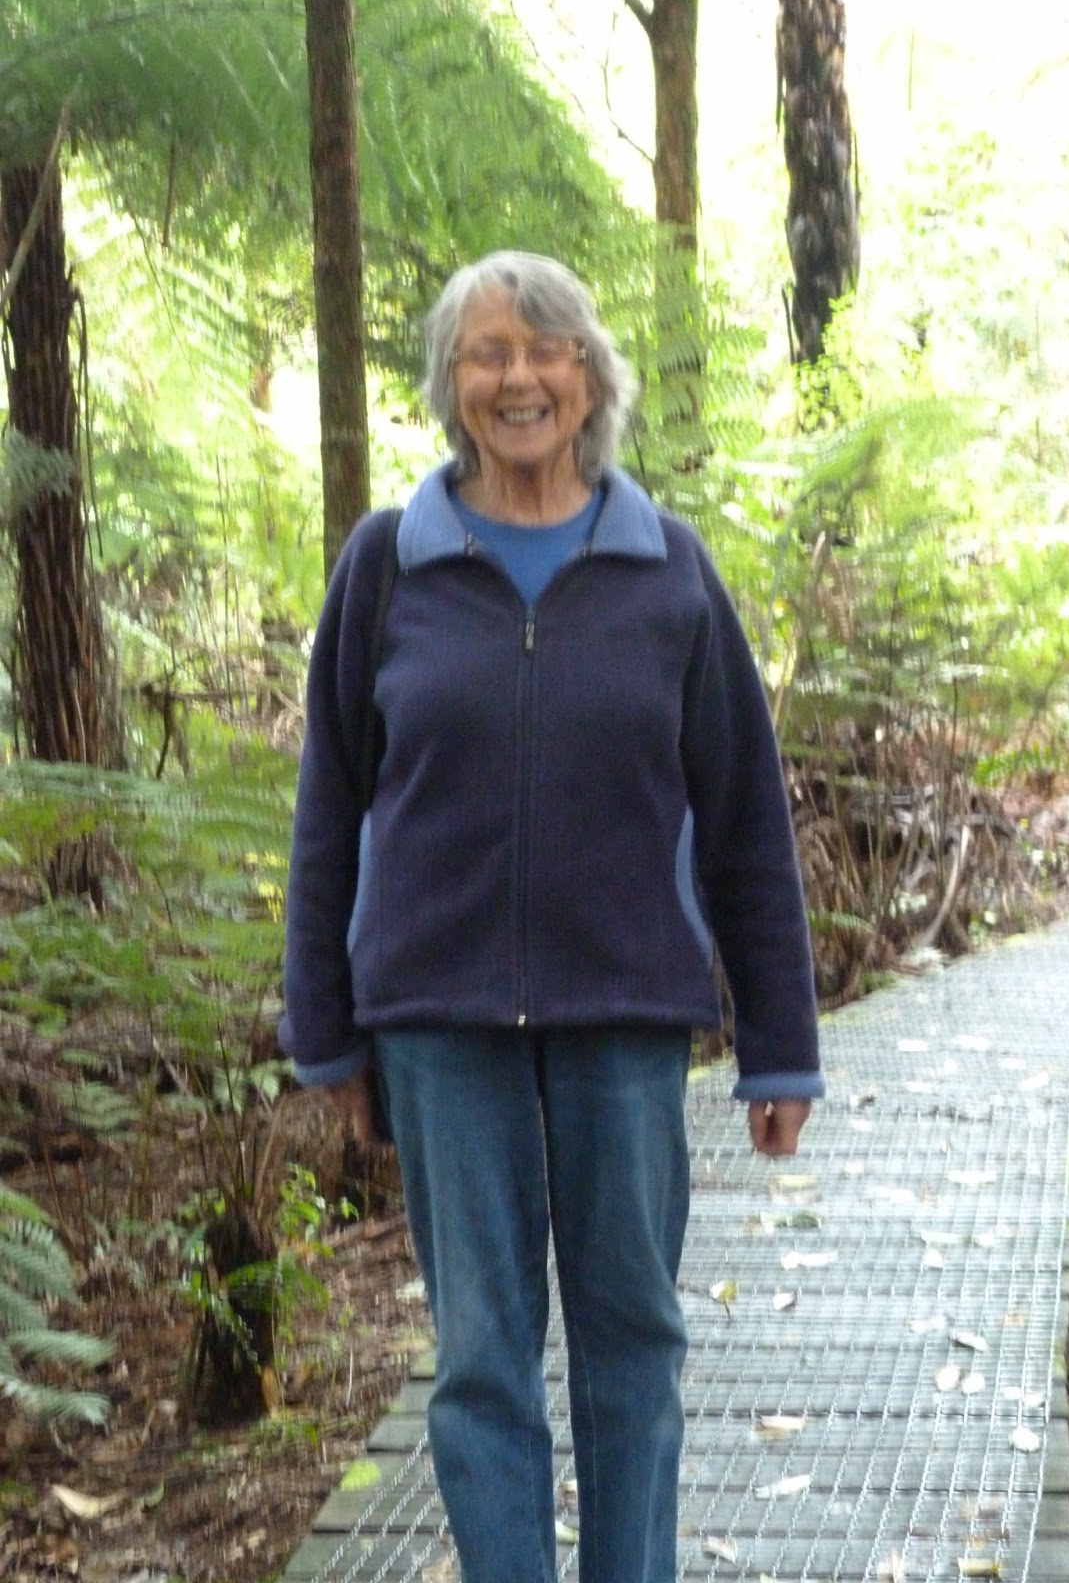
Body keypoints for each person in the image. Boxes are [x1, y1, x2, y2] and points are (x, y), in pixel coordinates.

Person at [280, 249, 824, 1583]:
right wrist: (324, 1030)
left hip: (626, 1021)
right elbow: (329, 810)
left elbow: (746, 820)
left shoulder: (669, 572)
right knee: (481, 1357)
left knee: (633, 1340)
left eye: (546, 349)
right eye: (487, 353)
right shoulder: (388, 567)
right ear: (451, 384)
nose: (518, 377)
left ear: (589, 377)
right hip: (440, 1030)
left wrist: (781, 1045)